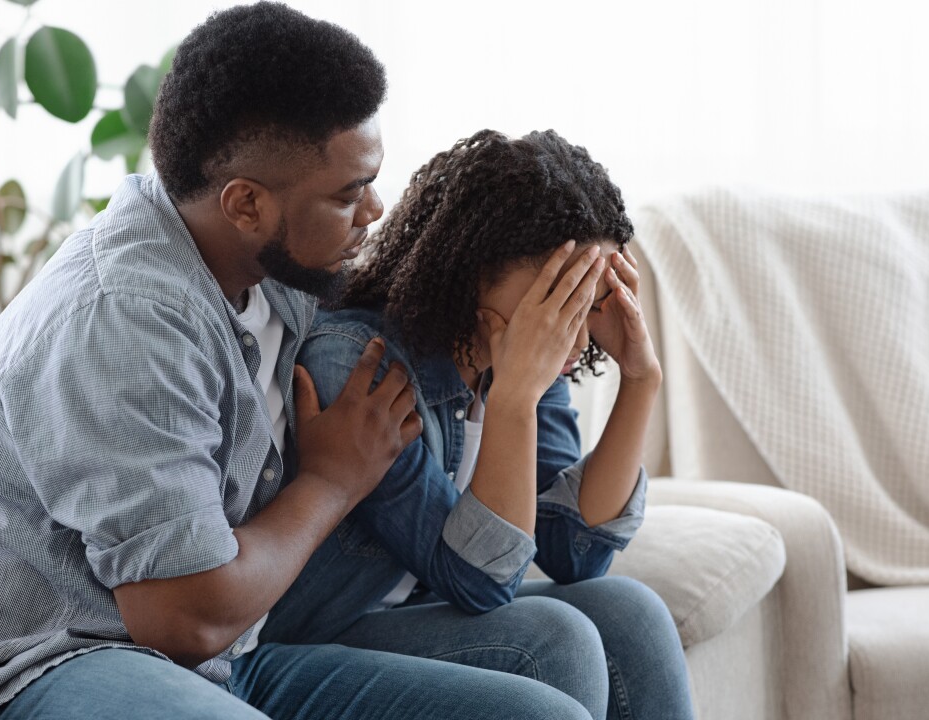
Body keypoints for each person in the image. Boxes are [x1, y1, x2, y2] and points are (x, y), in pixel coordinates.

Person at [0, 5, 607, 720]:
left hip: (230, 661)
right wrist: (331, 479)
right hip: (43, 665)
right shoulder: (123, 316)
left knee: (548, 680)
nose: (374, 212)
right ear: (245, 204)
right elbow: (182, 619)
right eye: (350, 192)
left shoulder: (278, 270)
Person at [262, 129, 697, 720]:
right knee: (555, 640)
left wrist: (641, 381)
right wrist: (515, 400)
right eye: (556, 295)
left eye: (587, 301)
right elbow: (479, 581)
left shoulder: (527, 360)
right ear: (471, 273)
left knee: (631, 611)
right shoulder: (357, 361)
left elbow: (575, 554)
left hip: (416, 614)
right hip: (317, 631)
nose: (570, 330)